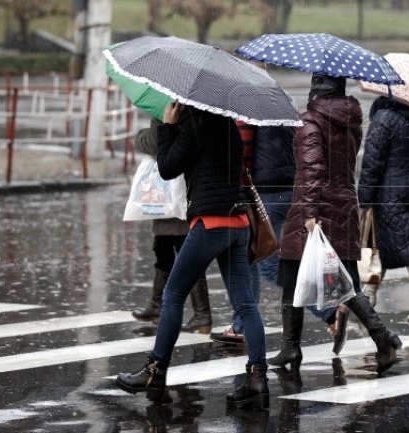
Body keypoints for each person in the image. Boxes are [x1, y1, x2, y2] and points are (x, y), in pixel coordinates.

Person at [116, 102, 269, 408]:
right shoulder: (229, 124)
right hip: (238, 223)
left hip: (210, 222)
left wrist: (169, 126)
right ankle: (257, 378)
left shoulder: (194, 121)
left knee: (173, 294)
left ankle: (155, 371)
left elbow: (168, 167)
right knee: (245, 304)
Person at [267, 73, 402, 374]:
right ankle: (382, 338)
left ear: (316, 88)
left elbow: (313, 170)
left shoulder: (310, 123)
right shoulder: (350, 122)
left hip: (314, 210)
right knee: (345, 286)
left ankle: (293, 347)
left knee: (295, 276)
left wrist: (309, 213)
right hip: (344, 208)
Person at [211, 123, 339, 345]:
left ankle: (329, 310)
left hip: (265, 192)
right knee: (250, 256)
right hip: (288, 188)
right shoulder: (282, 105)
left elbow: (243, 155)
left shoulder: (248, 110)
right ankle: (241, 325)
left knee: (268, 264)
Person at [357, 96, 409, 322]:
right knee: (386, 241)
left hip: (389, 189)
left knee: (401, 242)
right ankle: (368, 295)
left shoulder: (384, 118)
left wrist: (364, 197)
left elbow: (372, 162)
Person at [131, 117, 212, 334]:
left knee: (183, 252)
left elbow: (153, 142)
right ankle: (159, 306)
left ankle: (202, 314)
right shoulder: (193, 110)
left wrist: (140, 135)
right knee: (165, 250)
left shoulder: (168, 110)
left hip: (174, 191)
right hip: (179, 192)